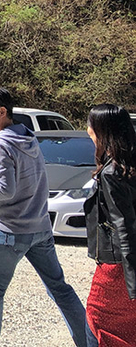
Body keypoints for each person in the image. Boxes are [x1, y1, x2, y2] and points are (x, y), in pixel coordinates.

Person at [0, 86, 87, 347]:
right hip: (40, 227)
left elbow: (5, 189)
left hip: (11, 230)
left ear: (2, 112)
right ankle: (87, 340)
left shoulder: (1, 142)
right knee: (59, 287)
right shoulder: (28, 137)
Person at [84, 104, 136, 346]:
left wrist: (132, 282)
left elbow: (124, 226)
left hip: (117, 267)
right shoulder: (126, 166)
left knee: (97, 320)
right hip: (124, 264)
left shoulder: (111, 172)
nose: (87, 131)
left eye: (91, 126)